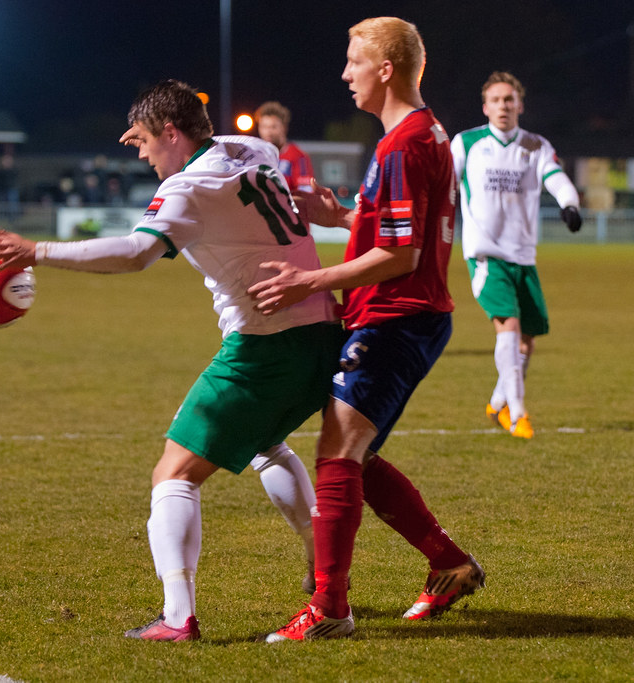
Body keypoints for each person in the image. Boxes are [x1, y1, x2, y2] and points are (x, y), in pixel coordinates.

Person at [0, 79, 345, 641]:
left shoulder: (191, 186)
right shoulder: (254, 151)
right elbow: (208, 134)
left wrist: (36, 251)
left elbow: (135, 253)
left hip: (266, 345)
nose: (140, 152)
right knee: (266, 442)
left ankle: (177, 618)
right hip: (322, 331)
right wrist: (174, 114)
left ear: (172, 133)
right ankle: (325, 582)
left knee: (172, 474)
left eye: (144, 140)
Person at [248, 17, 484, 642]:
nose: (345, 73)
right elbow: (399, 231)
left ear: (385, 69)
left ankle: (329, 608)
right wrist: (344, 215)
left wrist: (310, 282)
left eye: (355, 61)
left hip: (397, 317)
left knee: (337, 454)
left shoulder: (403, 143)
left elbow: (401, 256)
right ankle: (448, 563)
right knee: (356, 453)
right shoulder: (425, 134)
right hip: (405, 312)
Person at [452, 71, 583, 439]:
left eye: (509, 99)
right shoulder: (467, 143)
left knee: (527, 341)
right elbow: (444, 184)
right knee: (508, 328)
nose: (503, 106)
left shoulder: (535, 145)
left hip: (523, 256)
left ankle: (497, 401)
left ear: (520, 105)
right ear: (485, 106)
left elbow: (555, 176)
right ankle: (519, 414)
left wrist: (569, 203)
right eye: (496, 100)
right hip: (485, 255)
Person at [255, 101, 315, 193]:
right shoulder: (254, 156)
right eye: (264, 127)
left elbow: (306, 193)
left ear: (284, 127)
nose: (268, 132)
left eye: (273, 127)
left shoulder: (297, 156)